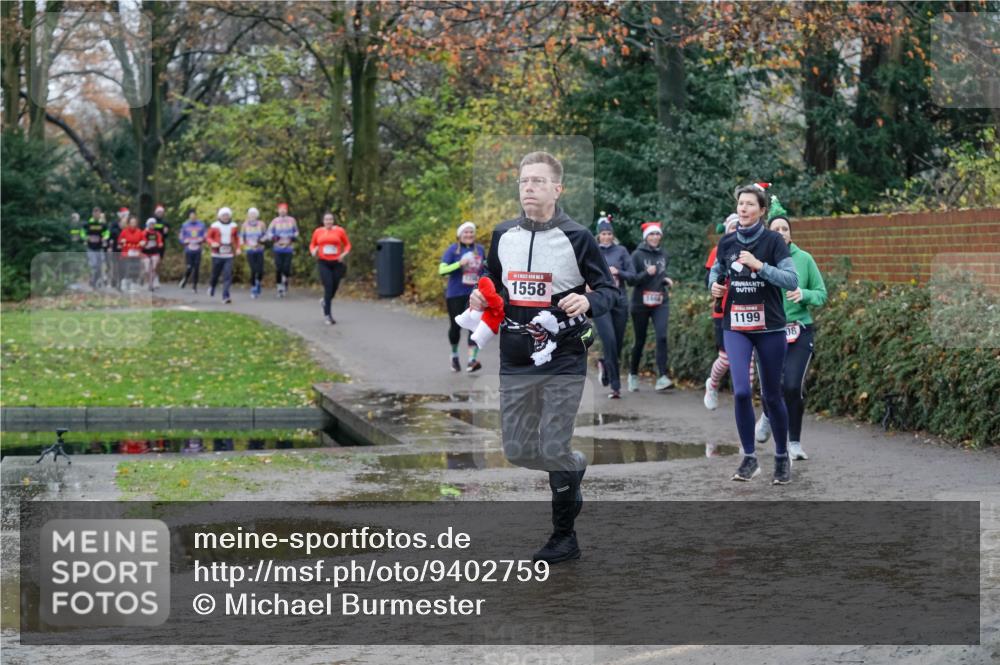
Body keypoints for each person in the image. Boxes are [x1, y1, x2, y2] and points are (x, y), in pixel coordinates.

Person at [469, 151, 617, 564]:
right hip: (516, 358)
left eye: (537, 181)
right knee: (517, 450)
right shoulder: (502, 235)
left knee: (552, 447)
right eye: (523, 181)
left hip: (563, 358)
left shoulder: (578, 237)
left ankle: (563, 538)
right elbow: (493, 283)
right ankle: (574, 466)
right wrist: (481, 296)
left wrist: (585, 299)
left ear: (557, 188)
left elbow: (609, 293)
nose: (528, 188)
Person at [708, 183, 799, 484]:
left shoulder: (774, 242)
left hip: (770, 327)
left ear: (762, 210)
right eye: (740, 204)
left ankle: (782, 456)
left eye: (749, 204)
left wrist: (759, 266)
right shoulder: (727, 242)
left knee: (772, 396)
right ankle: (749, 458)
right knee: (742, 391)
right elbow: (715, 274)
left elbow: (790, 279)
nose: (743, 209)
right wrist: (714, 286)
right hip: (736, 326)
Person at [753, 212, 827, 461]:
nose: (782, 233)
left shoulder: (804, 259)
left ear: (791, 233)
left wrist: (803, 294)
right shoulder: (761, 260)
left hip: (800, 330)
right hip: (769, 331)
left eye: (785, 229)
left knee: (793, 386)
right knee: (771, 388)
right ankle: (766, 412)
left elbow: (821, 294)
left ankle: (794, 443)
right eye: (777, 229)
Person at [626, 221, 674, 393]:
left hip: (660, 301)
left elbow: (662, 273)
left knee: (661, 337)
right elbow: (630, 280)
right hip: (640, 303)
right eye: (652, 235)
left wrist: (666, 279)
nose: (655, 237)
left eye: (657, 234)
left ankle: (662, 377)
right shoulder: (637, 255)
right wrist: (646, 273)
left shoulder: (664, 254)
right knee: (640, 341)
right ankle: (632, 374)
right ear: (646, 238)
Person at [703, 214, 744, 410]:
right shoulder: (719, 250)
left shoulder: (750, 250)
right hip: (723, 311)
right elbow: (708, 281)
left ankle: (743, 400)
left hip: (746, 311)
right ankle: (712, 383)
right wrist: (719, 283)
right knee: (726, 357)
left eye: (739, 227)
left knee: (749, 357)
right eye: (732, 228)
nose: (735, 230)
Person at [592, 213, 634, 398]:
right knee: (608, 340)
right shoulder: (593, 251)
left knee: (615, 343)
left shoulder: (622, 251)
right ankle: (615, 387)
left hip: (619, 301)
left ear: (613, 235)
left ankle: (604, 363)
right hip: (600, 301)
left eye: (609, 234)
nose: (606, 237)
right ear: (598, 235)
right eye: (603, 234)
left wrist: (619, 272)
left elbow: (632, 276)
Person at [439, 221, 487, 371]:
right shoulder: (453, 250)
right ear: (459, 235)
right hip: (455, 294)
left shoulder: (479, 249)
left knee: (475, 325)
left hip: (475, 294)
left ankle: (472, 360)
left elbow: (485, 269)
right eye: (466, 232)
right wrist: (460, 263)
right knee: (456, 327)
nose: (469, 235)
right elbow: (442, 270)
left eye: (471, 232)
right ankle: (454, 355)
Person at [309, 211, 352, 324]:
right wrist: (313, 251)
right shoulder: (318, 231)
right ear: (323, 221)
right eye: (326, 219)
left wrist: (343, 254)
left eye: (330, 219)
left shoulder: (340, 231)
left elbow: (347, 244)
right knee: (328, 286)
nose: (328, 221)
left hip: (336, 262)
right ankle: (328, 315)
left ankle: (325, 301)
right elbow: (312, 244)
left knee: (334, 287)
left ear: (333, 221)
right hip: (323, 262)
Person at [206, 207, 241, 303]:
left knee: (227, 275)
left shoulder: (234, 226)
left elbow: (237, 238)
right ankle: (212, 286)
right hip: (217, 253)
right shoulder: (214, 226)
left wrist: (238, 248)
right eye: (223, 215)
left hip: (228, 254)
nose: (225, 217)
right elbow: (208, 237)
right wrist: (212, 243)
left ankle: (226, 296)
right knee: (215, 274)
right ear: (219, 216)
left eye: (227, 215)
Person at [266, 202, 299, 297]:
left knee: (286, 268)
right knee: (279, 268)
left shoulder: (292, 220)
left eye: (284, 209)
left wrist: (291, 238)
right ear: (278, 211)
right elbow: (269, 233)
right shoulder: (275, 221)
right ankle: (279, 287)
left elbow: (296, 232)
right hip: (278, 248)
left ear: (287, 210)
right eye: (281, 209)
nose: (282, 211)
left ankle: (285, 280)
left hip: (288, 248)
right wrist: (275, 238)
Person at [240, 207, 268, 298]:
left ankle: (258, 282)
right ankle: (253, 288)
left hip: (259, 249)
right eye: (251, 214)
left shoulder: (261, 224)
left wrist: (261, 241)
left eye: (254, 214)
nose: (252, 216)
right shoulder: (245, 225)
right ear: (248, 215)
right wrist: (243, 246)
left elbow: (266, 235)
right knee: (253, 269)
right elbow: (241, 237)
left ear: (257, 215)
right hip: (249, 250)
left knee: (260, 270)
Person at [79, 209, 109, 289]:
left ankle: (97, 281)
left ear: (100, 214)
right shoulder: (88, 224)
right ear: (92, 214)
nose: (97, 215)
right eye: (95, 213)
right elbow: (82, 232)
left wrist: (104, 238)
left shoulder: (102, 224)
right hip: (91, 248)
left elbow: (107, 233)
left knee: (100, 265)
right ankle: (92, 280)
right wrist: (86, 237)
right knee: (94, 265)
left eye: (98, 213)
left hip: (100, 248)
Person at [178, 208, 206, 292]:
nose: (193, 217)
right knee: (189, 267)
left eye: (194, 216)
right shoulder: (185, 225)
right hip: (189, 249)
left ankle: (195, 286)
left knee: (196, 267)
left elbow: (205, 235)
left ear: (196, 216)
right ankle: (185, 278)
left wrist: (202, 239)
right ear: (189, 217)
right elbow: (181, 236)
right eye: (191, 216)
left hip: (198, 249)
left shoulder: (201, 225)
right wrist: (184, 241)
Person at [116, 214, 145, 292]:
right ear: (128, 223)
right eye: (131, 222)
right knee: (127, 268)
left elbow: (143, 240)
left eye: (134, 222)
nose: (133, 224)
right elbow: (119, 241)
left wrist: (143, 242)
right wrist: (122, 241)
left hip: (136, 253)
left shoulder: (139, 231)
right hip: (127, 253)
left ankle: (133, 285)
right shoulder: (124, 231)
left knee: (135, 268)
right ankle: (124, 284)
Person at [149, 204, 170, 288]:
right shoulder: (152, 221)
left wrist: (166, 232)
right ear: (155, 212)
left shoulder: (165, 223)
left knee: (158, 262)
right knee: (152, 262)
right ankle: (152, 278)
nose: (160, 213)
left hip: (161, 244)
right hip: (151, 244)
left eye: (161, 212)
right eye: (158, 212)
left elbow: (166, 235)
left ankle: (156, 277)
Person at [106, 207, 127, 290]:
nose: (124, 217)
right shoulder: (114, 224)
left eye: (126, 216)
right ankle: (114, 280)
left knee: (123, 266)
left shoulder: (129, 224)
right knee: (115, 265)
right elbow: (110, 234)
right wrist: (109, 246)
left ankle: (121, 282)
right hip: (115, 248)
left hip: (125, 249)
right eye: (123, 215)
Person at [141, 218, 164, 291]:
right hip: (145, 253)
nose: (152, 225)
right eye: (151, 224)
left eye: (153, 224)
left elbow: (160, 242)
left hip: (154, 252)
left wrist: (160, 244)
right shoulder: (144, 232)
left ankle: (151, 284)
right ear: (148, 224)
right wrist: (144, 244)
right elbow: (142, 241)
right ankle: (146, 281)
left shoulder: (157, 234)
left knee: (154, 268)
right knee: (147, 269)